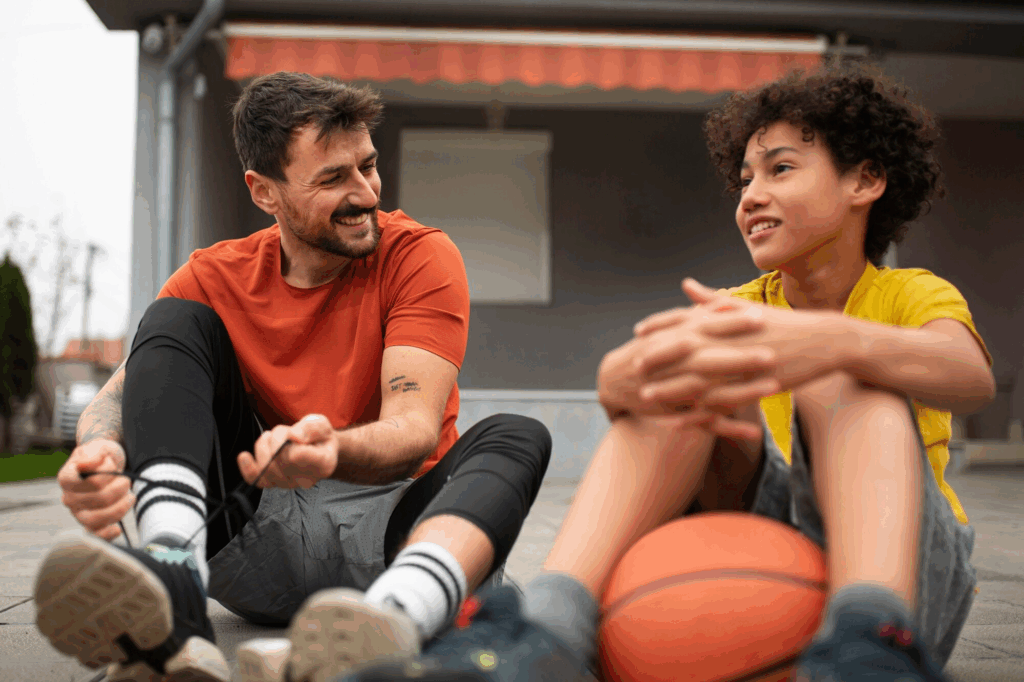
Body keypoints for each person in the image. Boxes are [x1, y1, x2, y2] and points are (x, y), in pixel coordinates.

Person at [337, 65, 995, 682]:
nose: (752, 196)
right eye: (744, 180)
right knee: (683, 383)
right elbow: (642, 395)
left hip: (904, 567)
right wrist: (623, 382)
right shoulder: (736, 308)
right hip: (765, 553)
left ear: (865, 181)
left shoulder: (909, 293)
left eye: (781, 169)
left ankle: (872, 638)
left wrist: (831, 339)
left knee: (844, 373)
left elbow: (970, 377)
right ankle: (548, 629)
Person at [33, 72, 552, 682]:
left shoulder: (419, 255)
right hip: (254, 543)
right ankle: (174, 578)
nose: (365, 193)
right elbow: (122, 395)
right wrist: (96, 451)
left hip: (394, 542)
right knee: (172, 321)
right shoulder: (214, 276)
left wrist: (331, 450)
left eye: (368, 166)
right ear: (264, 192)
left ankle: (394, 617)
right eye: (332, 179)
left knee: (517, 435)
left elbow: (413, 431)